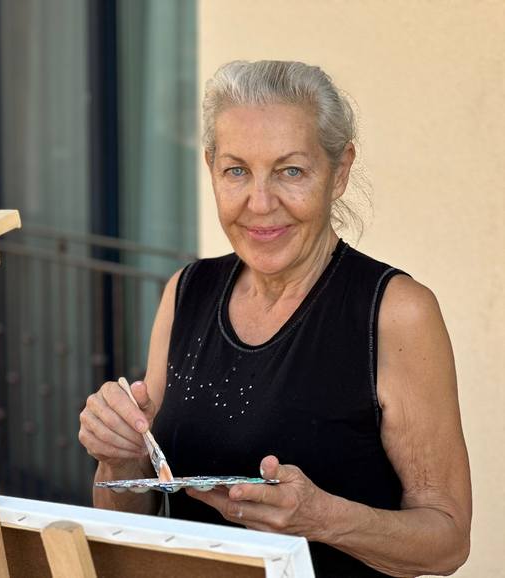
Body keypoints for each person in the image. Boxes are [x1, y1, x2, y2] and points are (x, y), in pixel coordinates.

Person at [78, 60, 472, 577]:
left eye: (291, 171)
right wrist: (119, 458)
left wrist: (323, 520)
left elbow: (447, 541)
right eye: (236, 171)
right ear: (211, 168)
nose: (260, 204)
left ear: (340, 171)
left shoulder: (396, 312)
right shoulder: (185, 291)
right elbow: (131, 526)